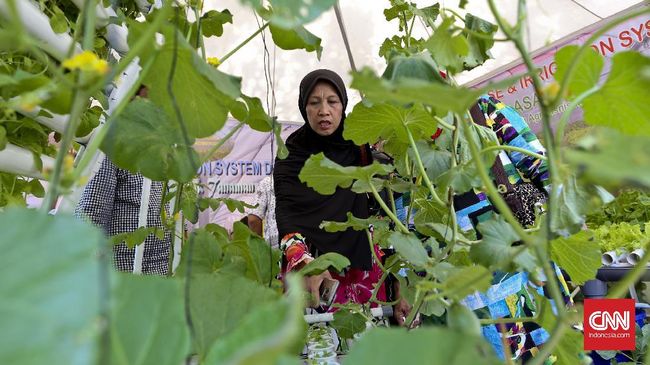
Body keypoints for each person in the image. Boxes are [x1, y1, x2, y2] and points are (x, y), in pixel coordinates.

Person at [273, 69, 411, 324]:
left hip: (369, 282)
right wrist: (306, 263)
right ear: (304, 108)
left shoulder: (362, 150)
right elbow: (287, 222)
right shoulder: (289, 157)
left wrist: (400, 285)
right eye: (314, 103)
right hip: (316, 284)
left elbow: (385, 226)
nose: (323, 111)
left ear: (343, 105)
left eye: (332, 102)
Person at [75, 86, 171, 275]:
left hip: (156, 272)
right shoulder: (116, 143)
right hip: (123, 272)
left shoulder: (161, 149)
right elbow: (92, 214)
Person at [247, 175, 278, 248]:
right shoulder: (307, 181)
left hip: (275, 249)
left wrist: (260, 249)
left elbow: (253, 220)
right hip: (305, 245)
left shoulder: (268, 182)